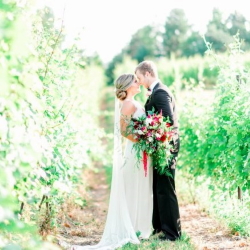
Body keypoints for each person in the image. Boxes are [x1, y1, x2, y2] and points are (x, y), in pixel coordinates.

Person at [71, 73, 153, 250]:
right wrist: (144, 139)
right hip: (135, 150)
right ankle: (132, 227)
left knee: (141, 185)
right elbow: (124, 132)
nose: (138, 83)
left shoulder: (133, 102)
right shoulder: (127, 104)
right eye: (135, 81)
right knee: (133, 186)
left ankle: (140, 227)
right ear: (128, 86)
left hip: (141, 150)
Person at [135, 60, 182, 241]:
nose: (139, 81)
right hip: (161, 146)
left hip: (166, 147)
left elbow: (167, 122)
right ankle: (161, 228)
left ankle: (172, 233)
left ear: (147, 74)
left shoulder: (160, 92)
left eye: (139, 77)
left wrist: (148, 133)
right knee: (159, 188)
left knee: (166, 188)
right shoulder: (156, 91)